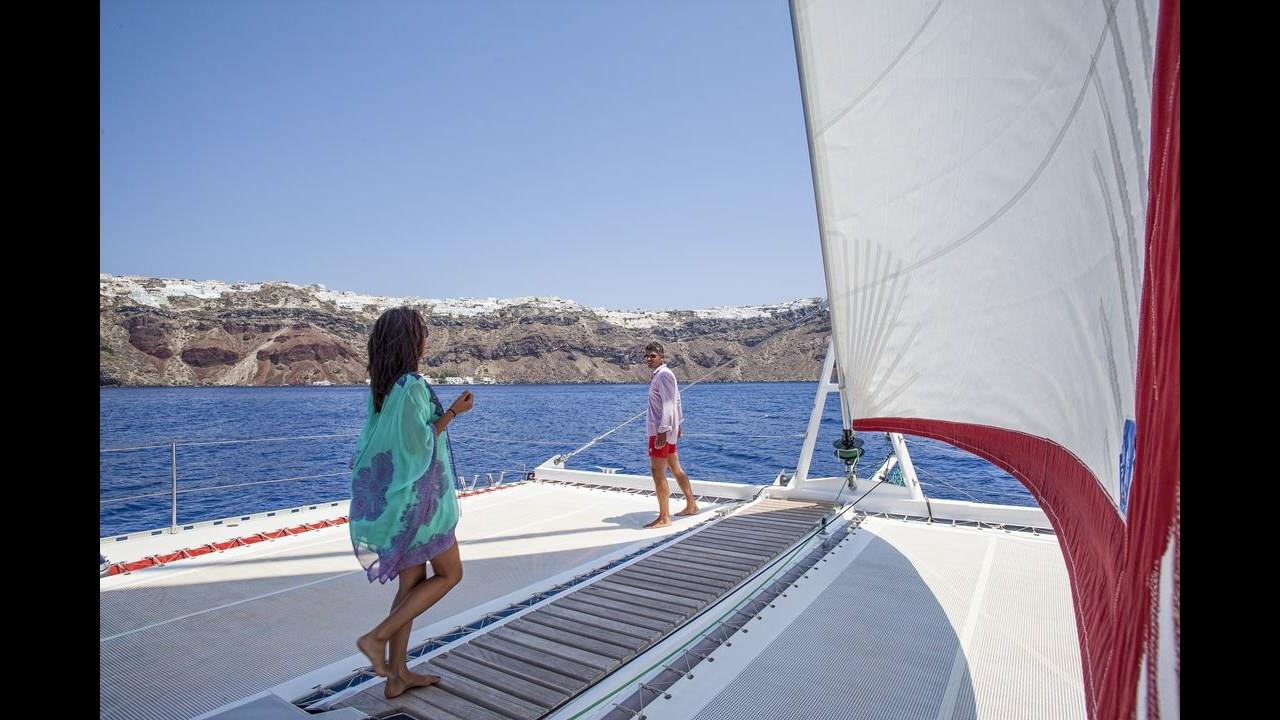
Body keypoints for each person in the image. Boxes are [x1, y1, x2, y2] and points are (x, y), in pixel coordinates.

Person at [349, 306, 474, 699]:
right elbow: (420, 442)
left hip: (400, 500)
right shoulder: (412, 385)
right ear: (409, 341)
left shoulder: (384, 388)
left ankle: (397, 674)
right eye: (422, 333)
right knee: (451, 574)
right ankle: (376, 638)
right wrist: (454, 411)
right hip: (423, 504)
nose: (426, 340)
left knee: (411, 587)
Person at [642, 342, 698, 527]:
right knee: (675, 468)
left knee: (657, 472)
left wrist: (663, 431)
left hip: (660, 431)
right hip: (667, 430)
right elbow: (677, 401)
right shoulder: (662, 374)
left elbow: (668, 404)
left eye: (652, 356)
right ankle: (692, 505)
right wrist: (678, 424)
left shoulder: (663, 375)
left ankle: (664, 517)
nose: (648, 359)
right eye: (646, 356)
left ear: (662, 357)